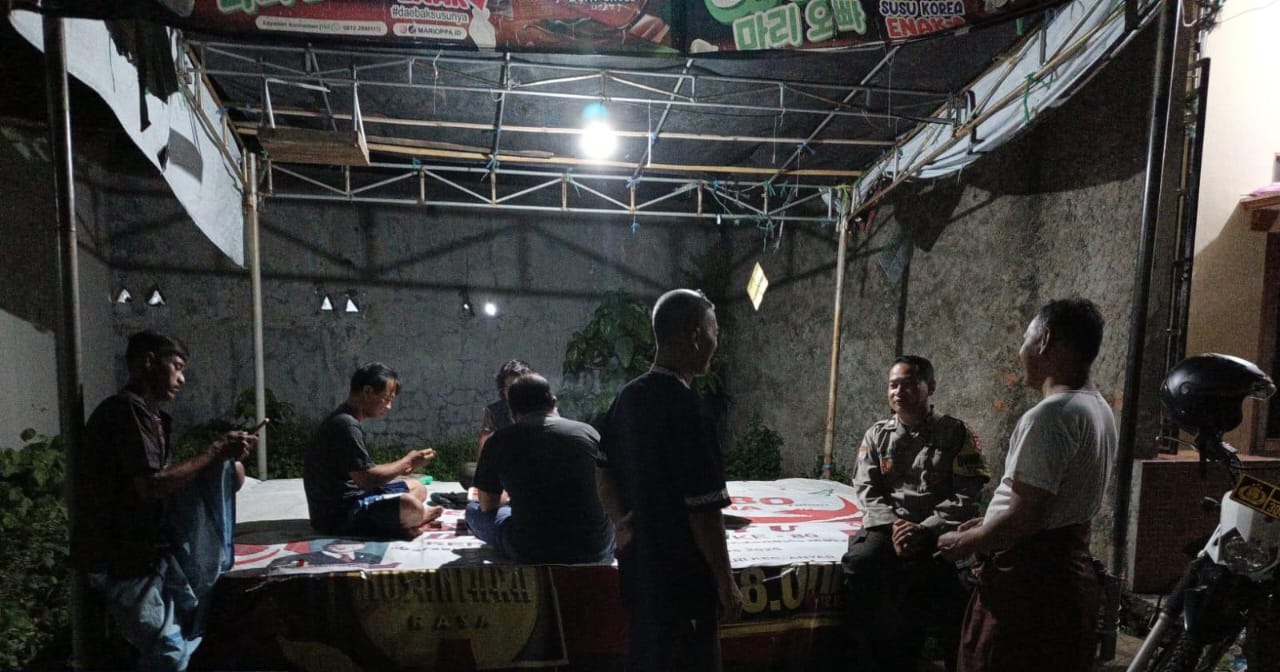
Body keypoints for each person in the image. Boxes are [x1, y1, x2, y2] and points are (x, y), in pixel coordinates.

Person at [938, 298, 1117, 672]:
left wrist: (966, 542)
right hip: (1066, 579)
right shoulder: (1097, 408)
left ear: (1045, 339)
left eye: (1025, 338)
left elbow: (1024, 519)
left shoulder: (1051, 416)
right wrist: (988, 523)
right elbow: (1054, 501)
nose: (1020, 351)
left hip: (1029, 589)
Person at [72, 330, 258, 671]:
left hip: (148, 556)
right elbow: (152, 485)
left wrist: (223, 464)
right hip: (122, 560)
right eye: (177, 367)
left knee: (179, 643)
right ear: (148, 362)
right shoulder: (125, 411)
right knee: (169, 652)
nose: (182, 379)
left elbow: (171, 479)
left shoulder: (153, 418)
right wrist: (215, 451)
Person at [596, 288, 742, 672]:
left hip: (638, 569)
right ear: (696, 336)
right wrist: (725, 583)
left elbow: (603, 471)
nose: (716, 343)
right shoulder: (690, 411)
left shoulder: (627, 398)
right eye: (714, 332)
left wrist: (621, 521)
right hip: (682, 578)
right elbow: (704, 514)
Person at [843, 355, 990, 671]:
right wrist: (896, 527)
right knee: (859, 563)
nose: (898, 392)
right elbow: (866, 489)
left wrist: (925, 528)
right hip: (889, 529)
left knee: (956, 588)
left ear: (930, 386)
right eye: (893, 385)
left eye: (908, 385)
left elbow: (967, 494)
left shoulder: (955, 434)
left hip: (938, 531)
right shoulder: (877, 435)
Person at [464, 373, 615, 564]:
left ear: (511, 410)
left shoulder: (499, 440)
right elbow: (609, 486)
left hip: (532, 548)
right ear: (553, 403)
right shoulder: (588, 432)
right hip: (596, 546)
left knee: (473, 511)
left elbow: (487, 505)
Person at [303, 362, 443, 539]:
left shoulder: (345, 420)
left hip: (356, 497)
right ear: (368, 391)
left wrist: (406, 467)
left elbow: (364, 473)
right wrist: (407, 461)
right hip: (339, 516)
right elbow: (367, 479)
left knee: (417, 487)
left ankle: (407, 520)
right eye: (387, 399)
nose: (389, 407)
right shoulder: (345, 425)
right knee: (410, 505)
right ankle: (416, 517)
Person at [476, 359, 534, 456]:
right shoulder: (493, 412)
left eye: (519, 386)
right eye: (510, 387)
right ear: (503, 389)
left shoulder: (539, 409)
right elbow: (484, 445)